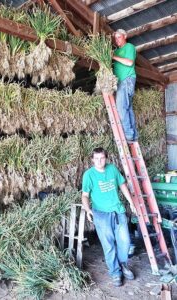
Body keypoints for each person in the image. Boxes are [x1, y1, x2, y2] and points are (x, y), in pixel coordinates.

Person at [81, 147, 137, 287]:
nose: (100, 161)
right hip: (101, 214)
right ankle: (115, 272)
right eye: (97, 158)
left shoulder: (112, 169)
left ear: (106, 158)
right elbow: (85, 195)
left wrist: (131, 202)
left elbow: (122, 185)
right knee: (109, 245)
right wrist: (88, 210)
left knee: (125, 241)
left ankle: (123, 264)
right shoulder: (89, 175)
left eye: (102, 158)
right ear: (92, 160)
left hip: (118, 211)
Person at [113, 29, 138, 142]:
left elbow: (129, 62)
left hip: (126, 80)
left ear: (125, 36)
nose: (117, 40)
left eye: (119, 37)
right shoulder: (116, 51)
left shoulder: (129, 47)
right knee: (128, 109)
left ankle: (128, 135)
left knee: (121, 108)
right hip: (120, 81)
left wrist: (113, 56)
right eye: (115, 38)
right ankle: (133, 135)